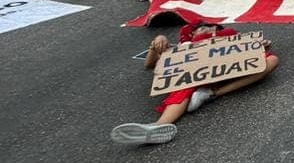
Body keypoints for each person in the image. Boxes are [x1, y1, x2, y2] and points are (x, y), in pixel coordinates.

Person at [110, 22, 278, 146]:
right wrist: (155, 45)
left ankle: (211, 94)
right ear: (191, 35)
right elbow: (149, 64)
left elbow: (254, 55)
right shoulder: (184, 47)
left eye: (215, 28)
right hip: (197, 76)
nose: (211, 31)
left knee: (271, 60)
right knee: (184, 86)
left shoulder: (233, 40)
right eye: (204, 28)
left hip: (229, 72)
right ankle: (158, 127)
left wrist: (260, 47)